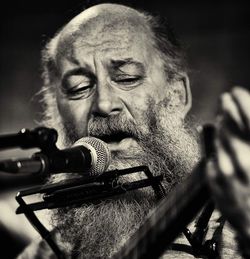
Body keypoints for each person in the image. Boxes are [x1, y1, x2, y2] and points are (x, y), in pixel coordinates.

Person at [17, 3, 250, 258]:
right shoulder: (48, 252)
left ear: (177, 96)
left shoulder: (240, 220)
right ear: (55, 114)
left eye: (127, 78)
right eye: (79, 87)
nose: (104, 104)